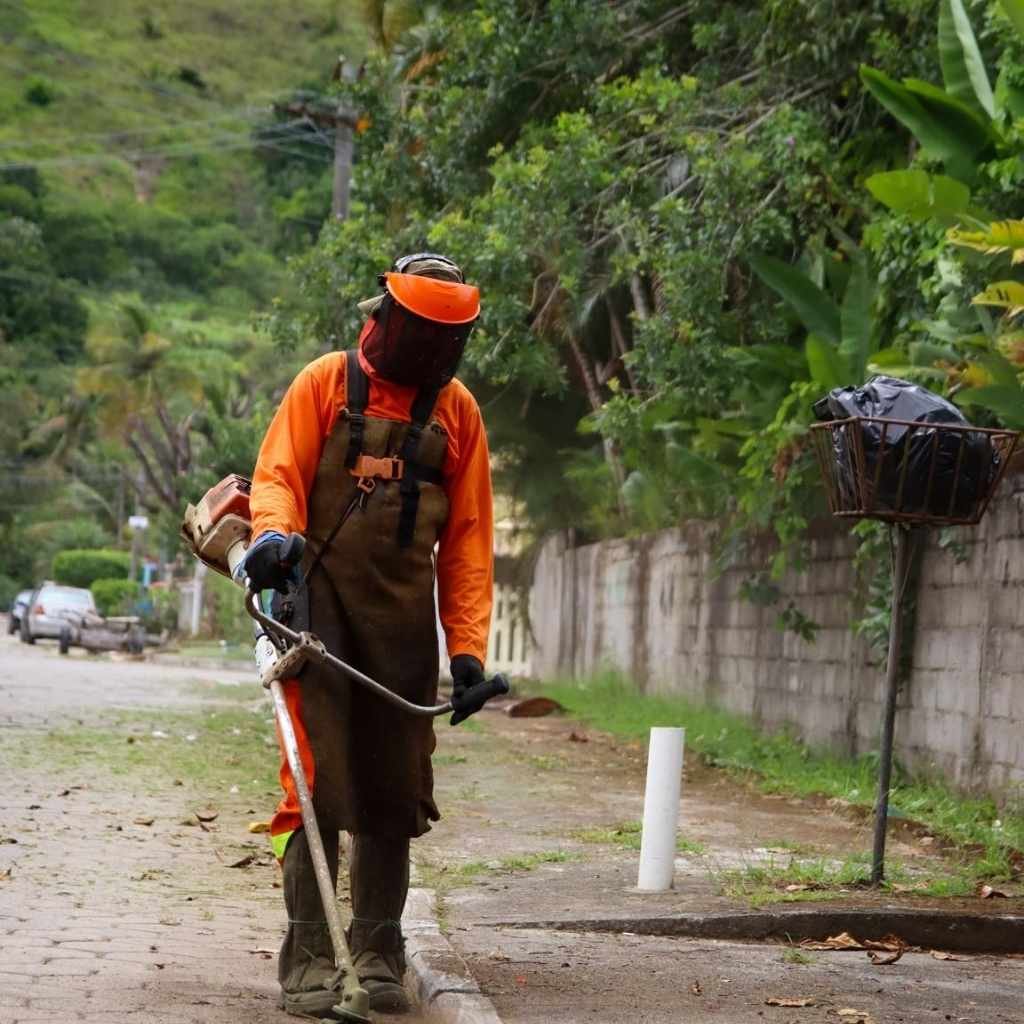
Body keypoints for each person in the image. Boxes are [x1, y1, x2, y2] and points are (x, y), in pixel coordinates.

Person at [244, 253, 494, 1017]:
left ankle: (379, 955)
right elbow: (279, 475)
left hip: (401, 628)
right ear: (383, 319)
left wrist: (469, 648)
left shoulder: (458, 415)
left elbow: (469, 543)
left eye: (440, 339)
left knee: (392, 787)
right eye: (415, 331)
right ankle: (311, 961)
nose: (425, 350)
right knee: (313, 782)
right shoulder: (324, 382)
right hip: (313, 613)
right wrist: (274, 538)